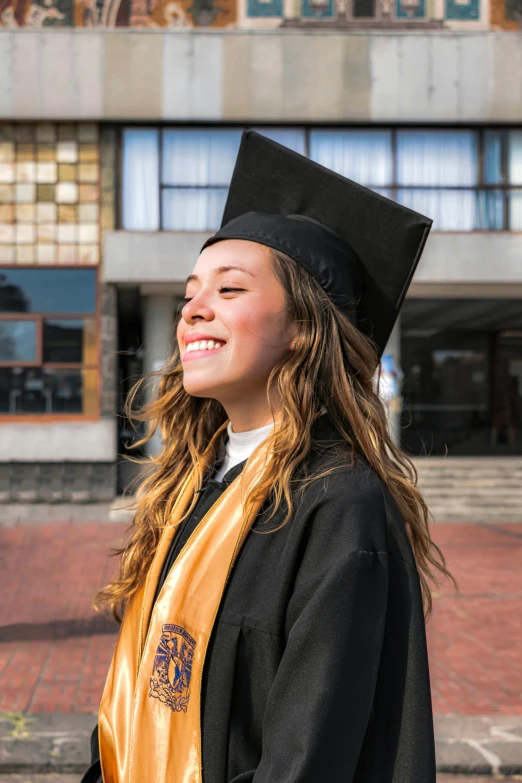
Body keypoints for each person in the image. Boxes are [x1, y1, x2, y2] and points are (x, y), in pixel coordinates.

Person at [82, 131, 453, 783]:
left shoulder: (339, 505)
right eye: (193, 290)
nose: (193, 308)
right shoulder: (193, 487)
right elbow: (133, 697)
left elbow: (307, 761)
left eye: (229, 290)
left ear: (302, 327)